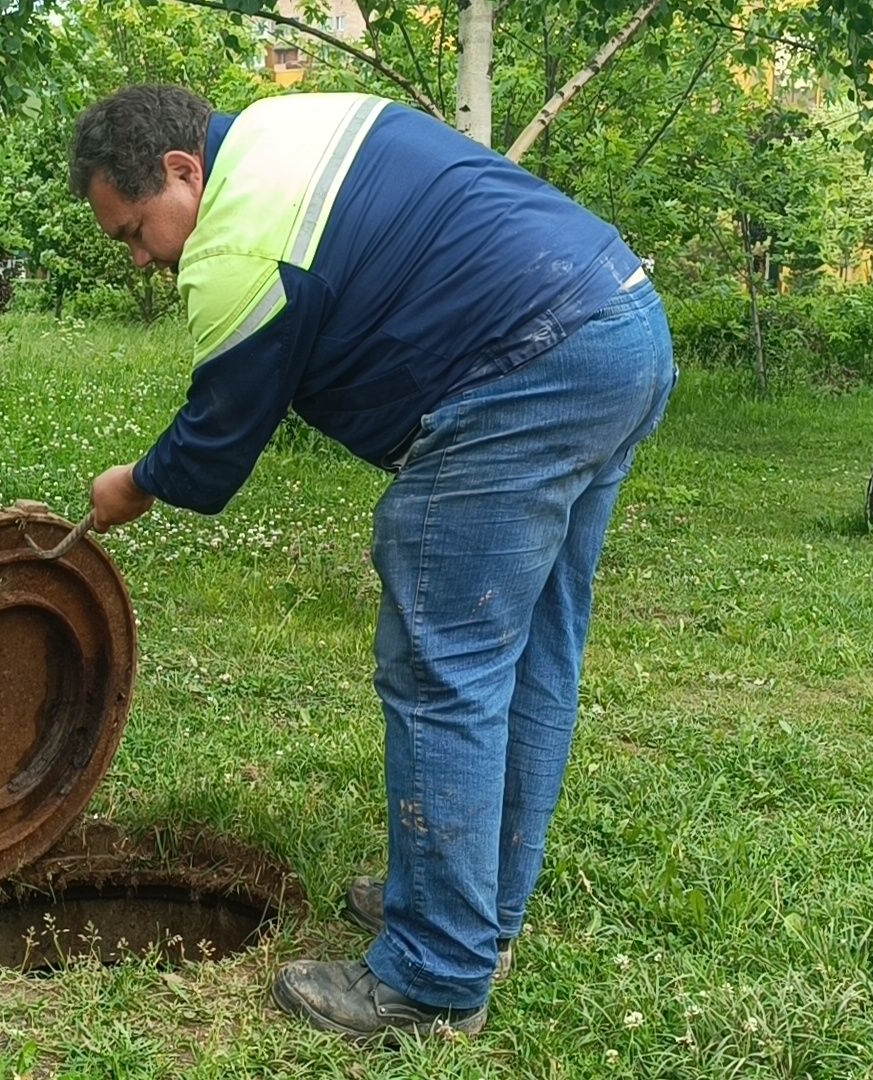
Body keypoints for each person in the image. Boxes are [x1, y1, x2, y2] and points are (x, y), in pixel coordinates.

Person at [70, 85, 676, 1042]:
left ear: (184, 172)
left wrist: (134, 484)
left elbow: (218, 445)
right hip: (620, 323)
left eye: (135, 230)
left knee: (448, 667)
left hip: (522, 371)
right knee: (529, 654)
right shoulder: (287, 122)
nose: (143, 259)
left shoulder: (236, 239)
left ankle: (434, 978)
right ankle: (476, 920)